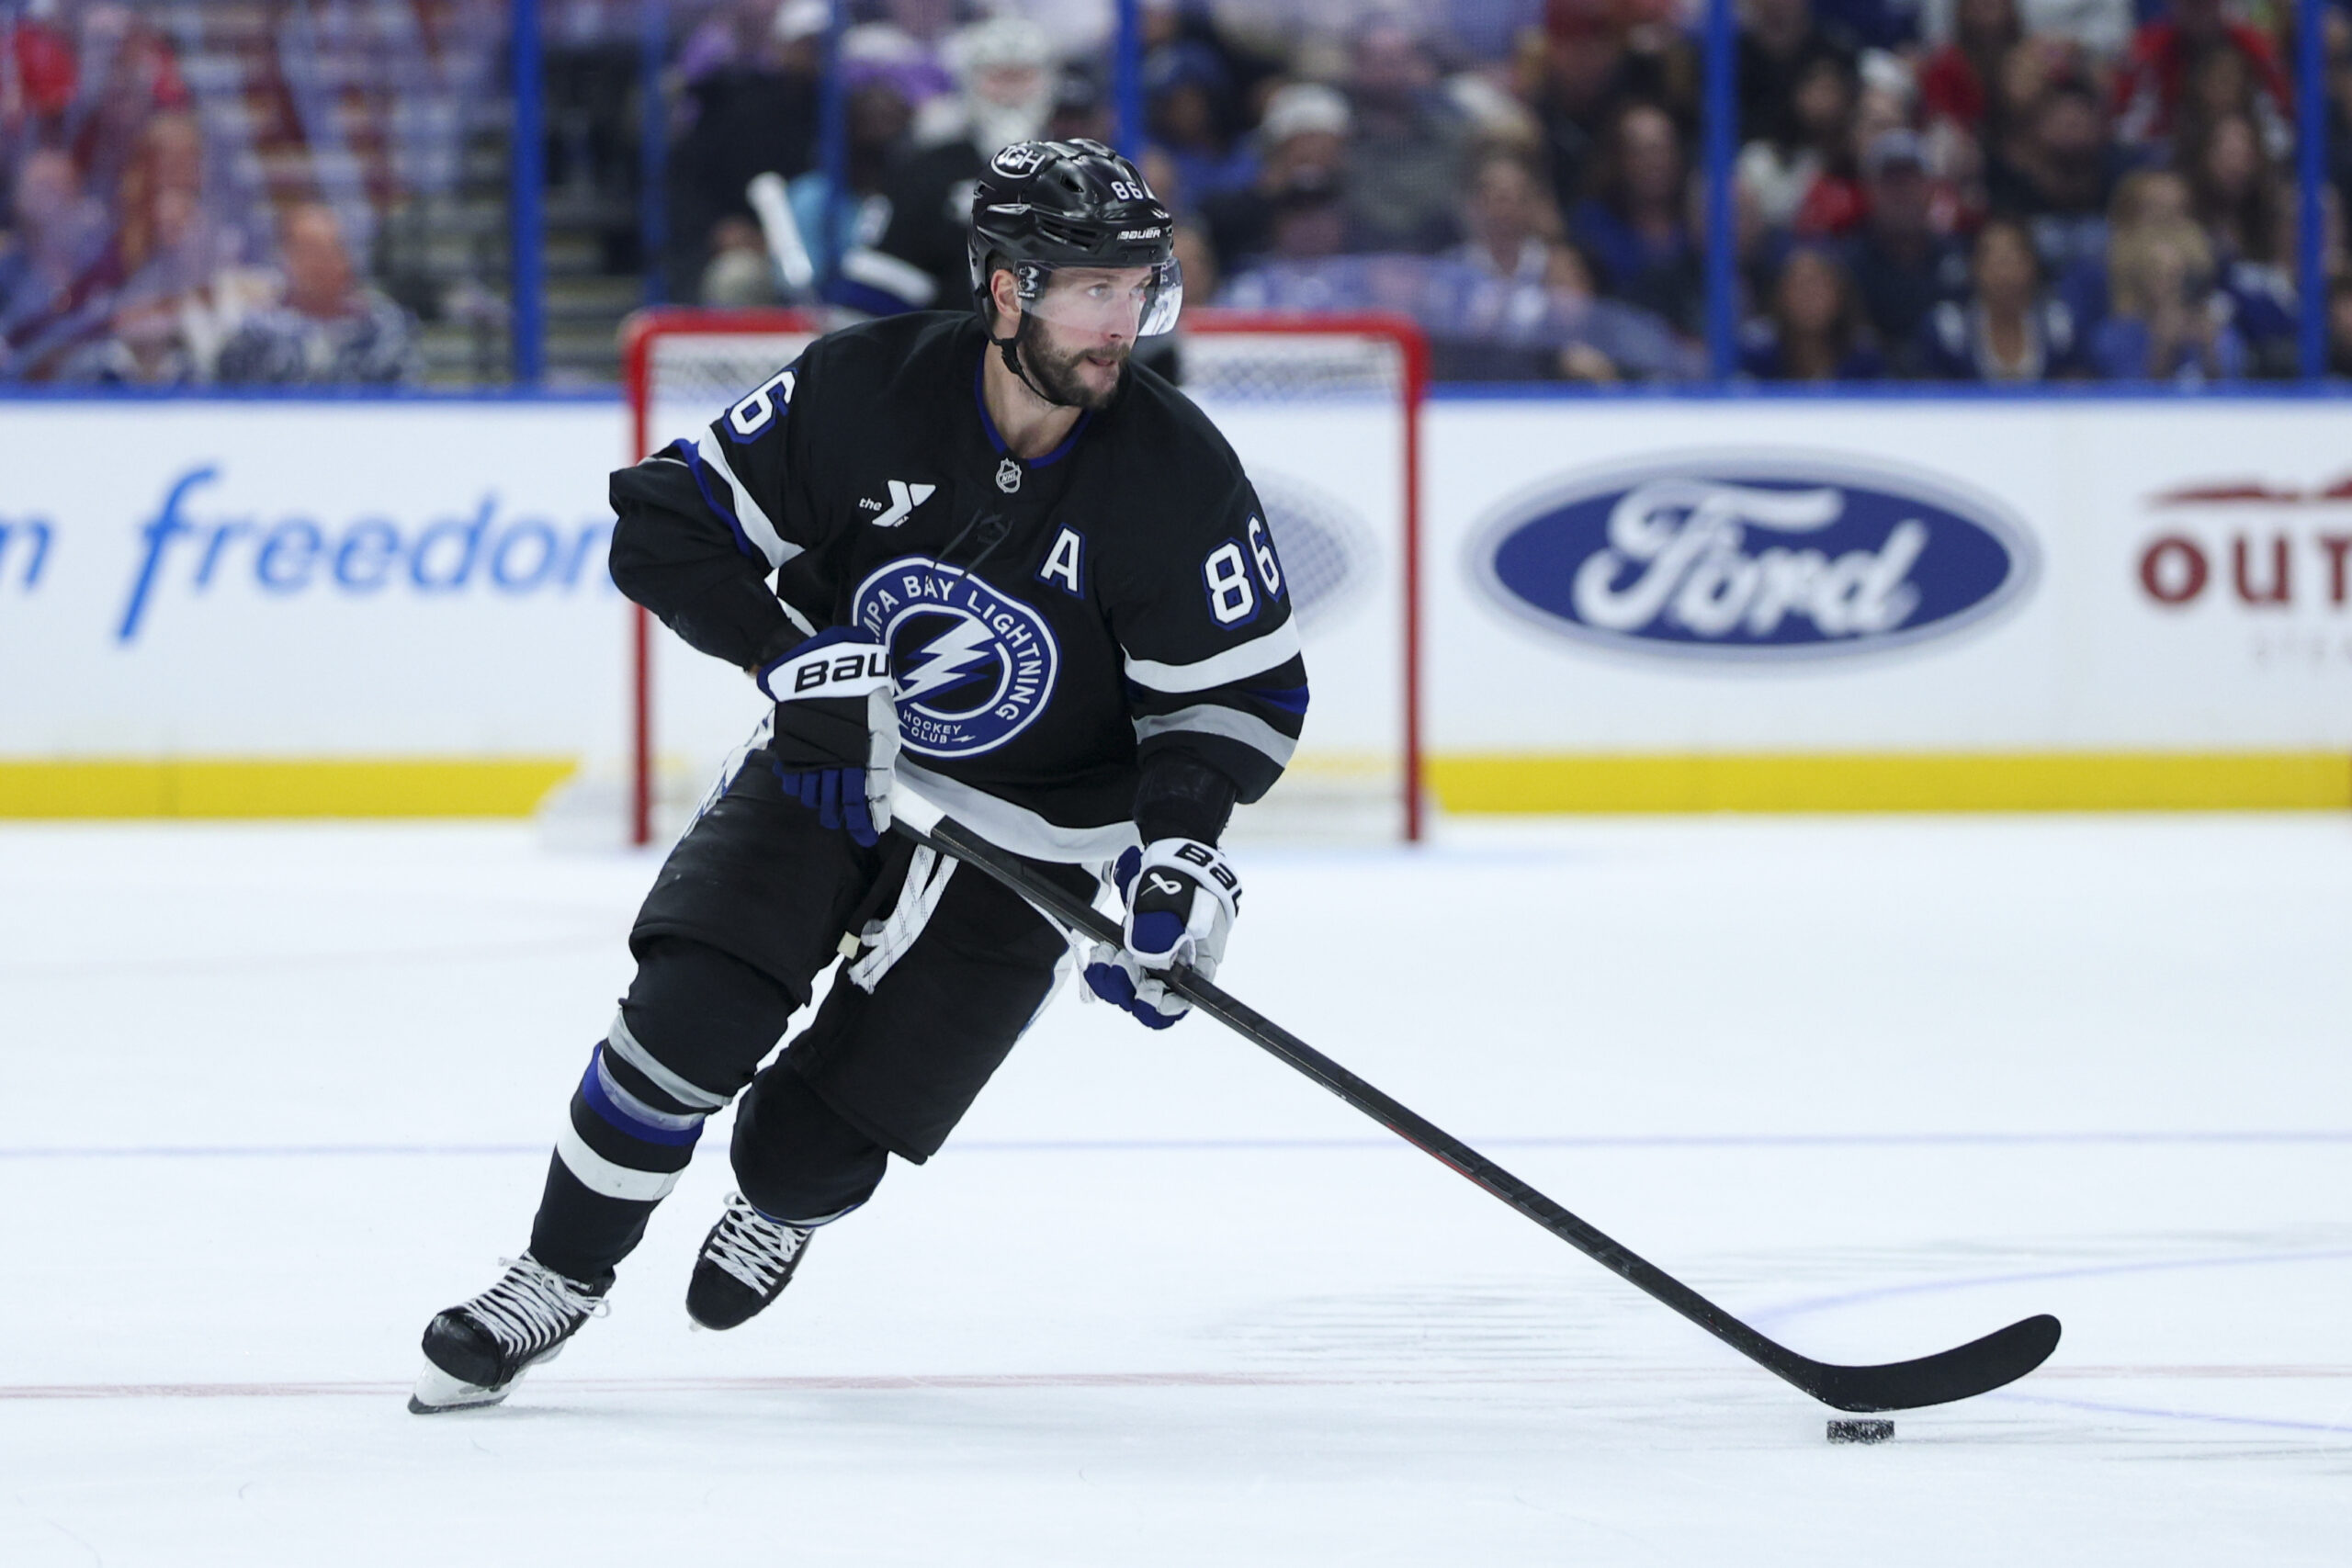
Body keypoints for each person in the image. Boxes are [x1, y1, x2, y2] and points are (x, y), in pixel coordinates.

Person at [409, 141, 1307, 1414]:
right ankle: (553, 1274)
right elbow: (665, 521)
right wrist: (795, 660)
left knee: (808, 1150)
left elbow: (1228, 696)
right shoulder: (865, 387)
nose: (1123, 323)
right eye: (1090, 290)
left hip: (1043, 838)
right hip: (846, 761)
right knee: (691, 1012)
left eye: (1139, 288)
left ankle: (782, 1203)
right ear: (1003, 288)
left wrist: (1178, 850)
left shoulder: (1178, 472)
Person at [214, 202, 422, 386]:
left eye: (333, 247)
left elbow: (405, 401)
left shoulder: (384, 330)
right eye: (309, 250)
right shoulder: (256, 334)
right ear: (284, 255)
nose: (322, 261)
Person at [1916, 212, 2083, 380]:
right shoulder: (1949, 330)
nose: (2004, 274)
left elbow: (2078, 390)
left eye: (2013, 260)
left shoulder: (2060, 327)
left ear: (2032, 265)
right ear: (1975, 267)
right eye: (1995, 261)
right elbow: (1931, 396)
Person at [1739, 243, 1885, 379]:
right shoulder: (1757, 351)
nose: (1809, 297)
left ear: (1840, 294)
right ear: (1780, 295)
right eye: (1799, 286)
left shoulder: (1864, 353)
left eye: (1819, 286)